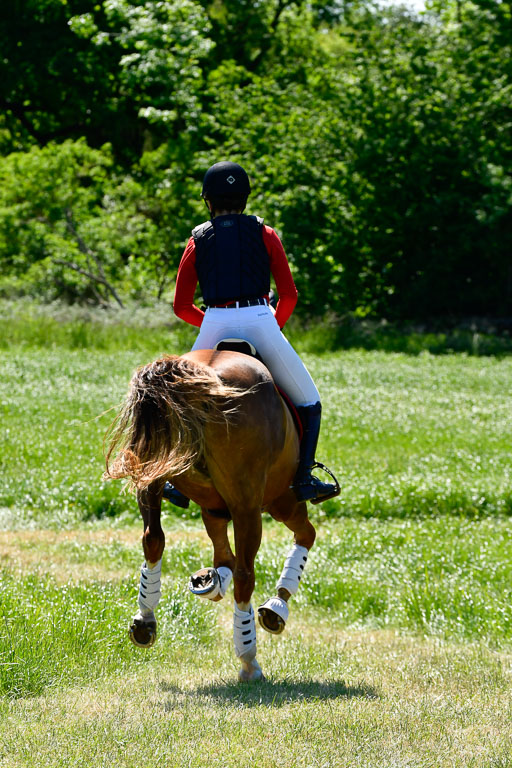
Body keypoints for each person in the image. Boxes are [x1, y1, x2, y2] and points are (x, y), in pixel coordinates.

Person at [165, 160, 339, 507]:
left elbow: (181, 306)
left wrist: (215, 324)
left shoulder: (197, 239)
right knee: (309, 400)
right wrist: (272, 325)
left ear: (208, 201)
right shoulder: (266, 234)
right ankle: (305, 475)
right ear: (245, 198)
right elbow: (289, 294)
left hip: (214, 320)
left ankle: (175, 479)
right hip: (262, 318)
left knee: (175, 400)